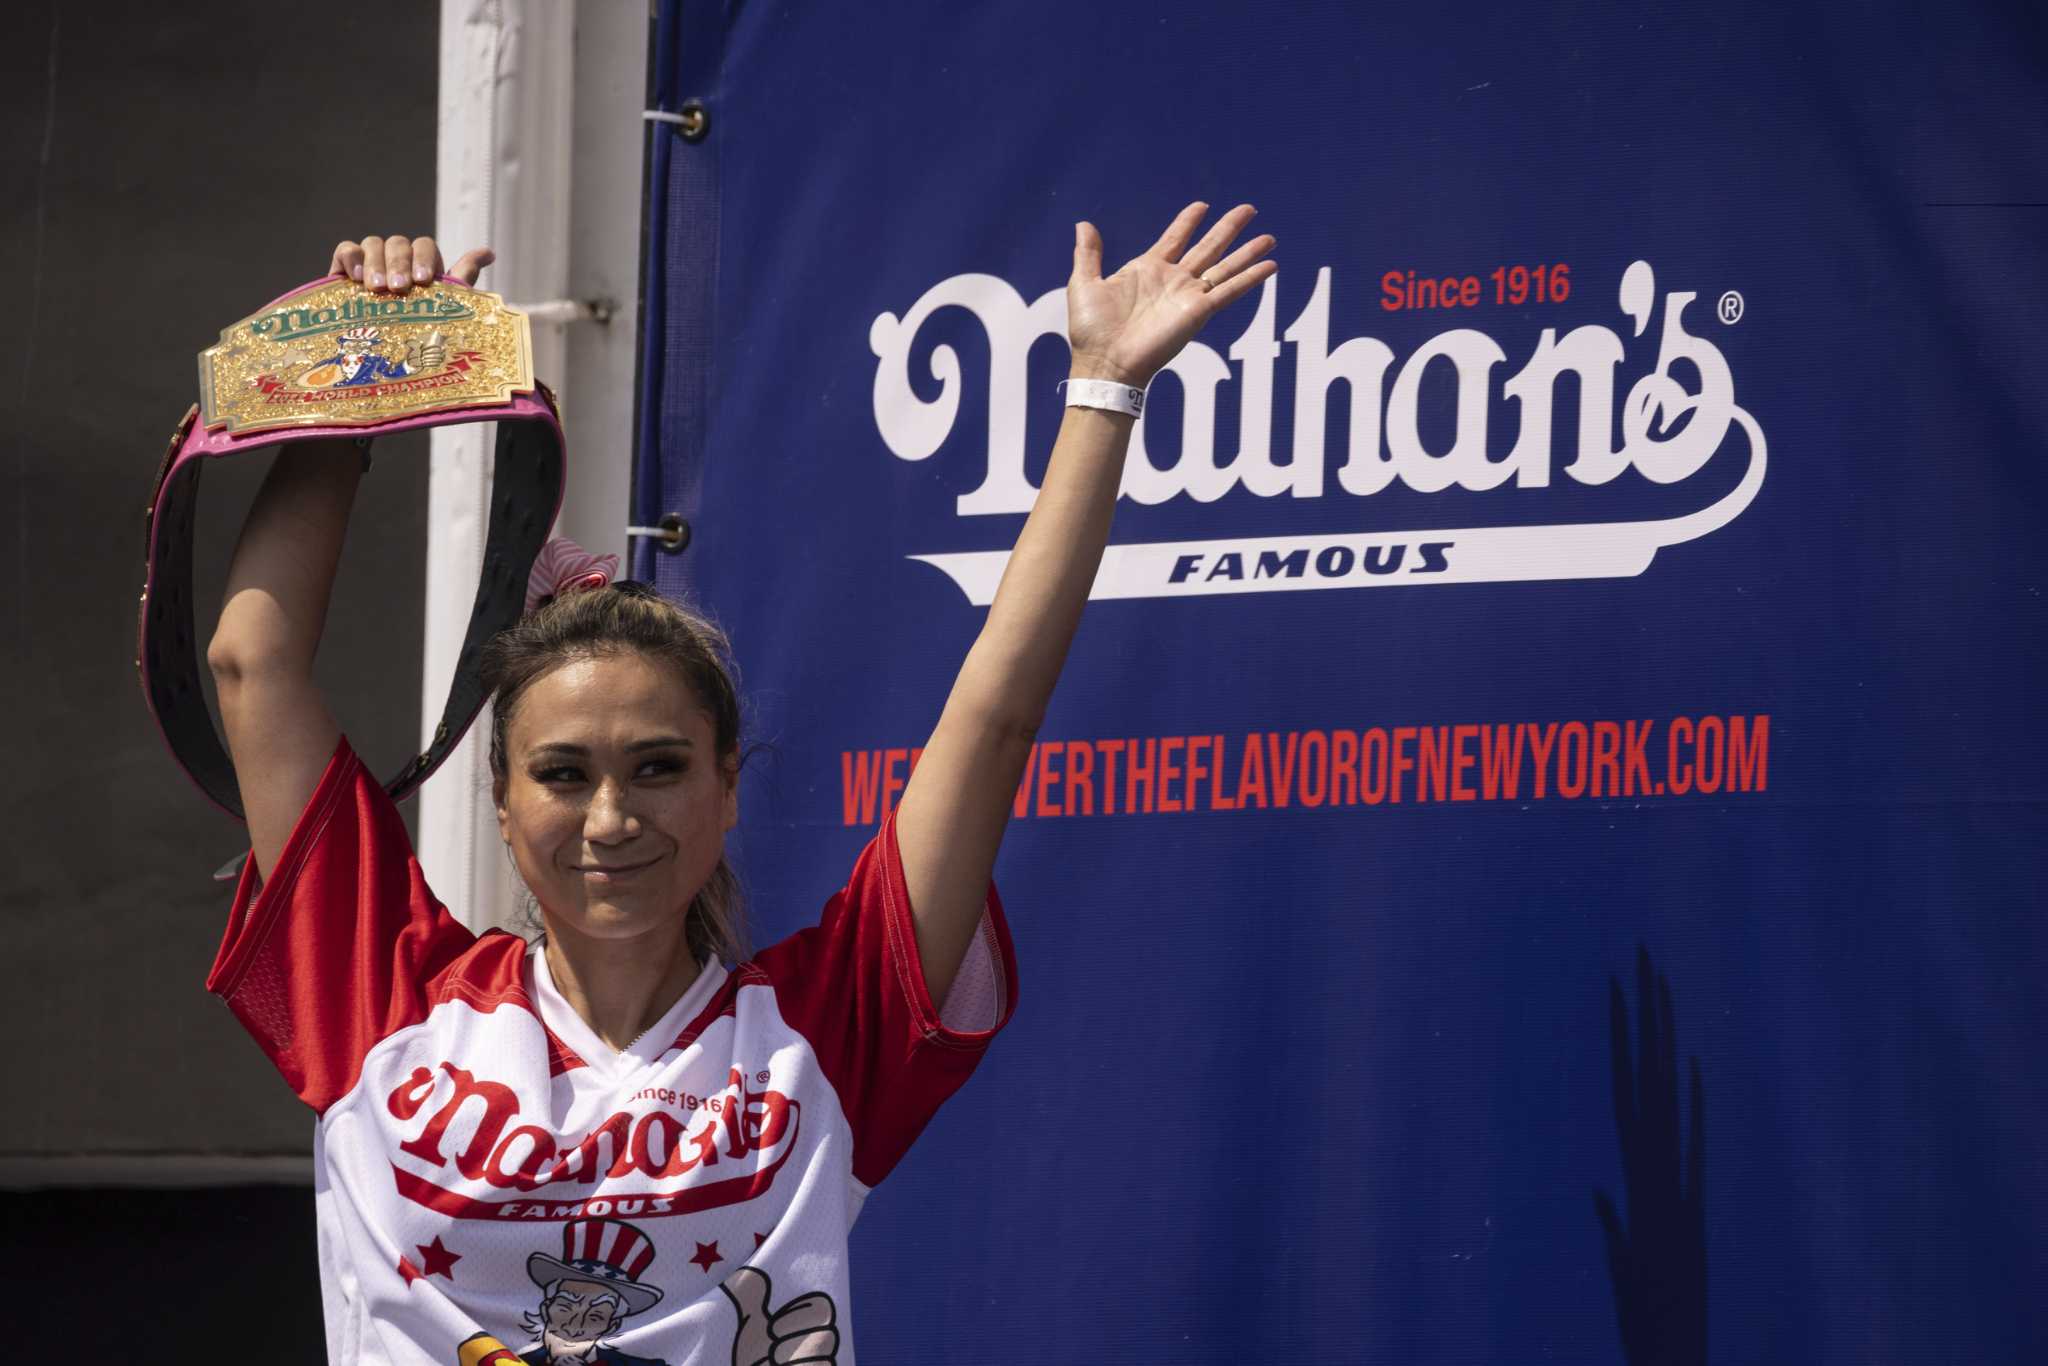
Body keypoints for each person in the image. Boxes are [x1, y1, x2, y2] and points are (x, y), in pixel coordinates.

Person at [204, 203, 1275, 1365]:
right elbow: (249, 664)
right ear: (502, 805)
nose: (610, 817)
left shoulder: (823, 1031)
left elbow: (995, 716)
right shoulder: (385, 1003)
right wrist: (355, 373)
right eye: (563, 774)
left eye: (657, 768)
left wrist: (1104, 388)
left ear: (726, 787)